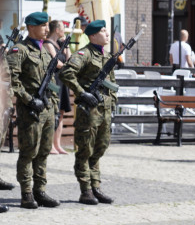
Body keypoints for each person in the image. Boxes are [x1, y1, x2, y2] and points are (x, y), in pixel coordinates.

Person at [59, 19, 120, 206]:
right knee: (85, 150)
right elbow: (67, 73)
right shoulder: (84, 54)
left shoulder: (106, 56)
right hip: (89, 112)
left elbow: (112, 83)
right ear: (93, 35)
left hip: (104, 111)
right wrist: (82, 93)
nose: (107, 34)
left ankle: (96, 187)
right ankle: (85, 190)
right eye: (103, 31)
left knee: (100, 148)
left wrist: (113, 101)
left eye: (106, 30)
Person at [7, 11, 60, 208]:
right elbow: (12, 79)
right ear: (31, 27)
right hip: (30, 110)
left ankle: (40, 190)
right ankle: (26, 192)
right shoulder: (19, 50)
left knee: (44, 151)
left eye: (47, 25)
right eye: (43, 26)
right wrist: (29, 100)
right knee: (29, 152)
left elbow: (52, 82)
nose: (48, 29)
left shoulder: (45, 50)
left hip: (46, 109)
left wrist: (53, 106)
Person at [43, 19, 70, 155]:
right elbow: (57, 63)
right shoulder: (48, 44)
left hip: (62, 81)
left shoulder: (60, 44)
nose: (64, 29)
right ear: (57, 30)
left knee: (61, 113)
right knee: (53, 113)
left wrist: (67, 45)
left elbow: (68, 59)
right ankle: (49, 145)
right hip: (54, 81)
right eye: (63, 27)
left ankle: (57, 144)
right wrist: (68, 67)